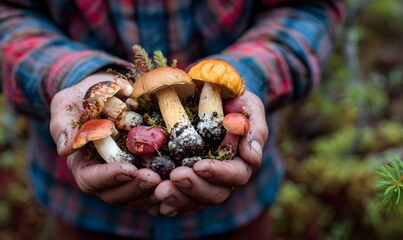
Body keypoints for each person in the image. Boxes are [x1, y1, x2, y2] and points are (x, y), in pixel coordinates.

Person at [0, 1, 344, 239]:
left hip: (238, 203)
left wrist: (247, 77)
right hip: (80, 204)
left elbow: (308, 9)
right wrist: (74, 76)